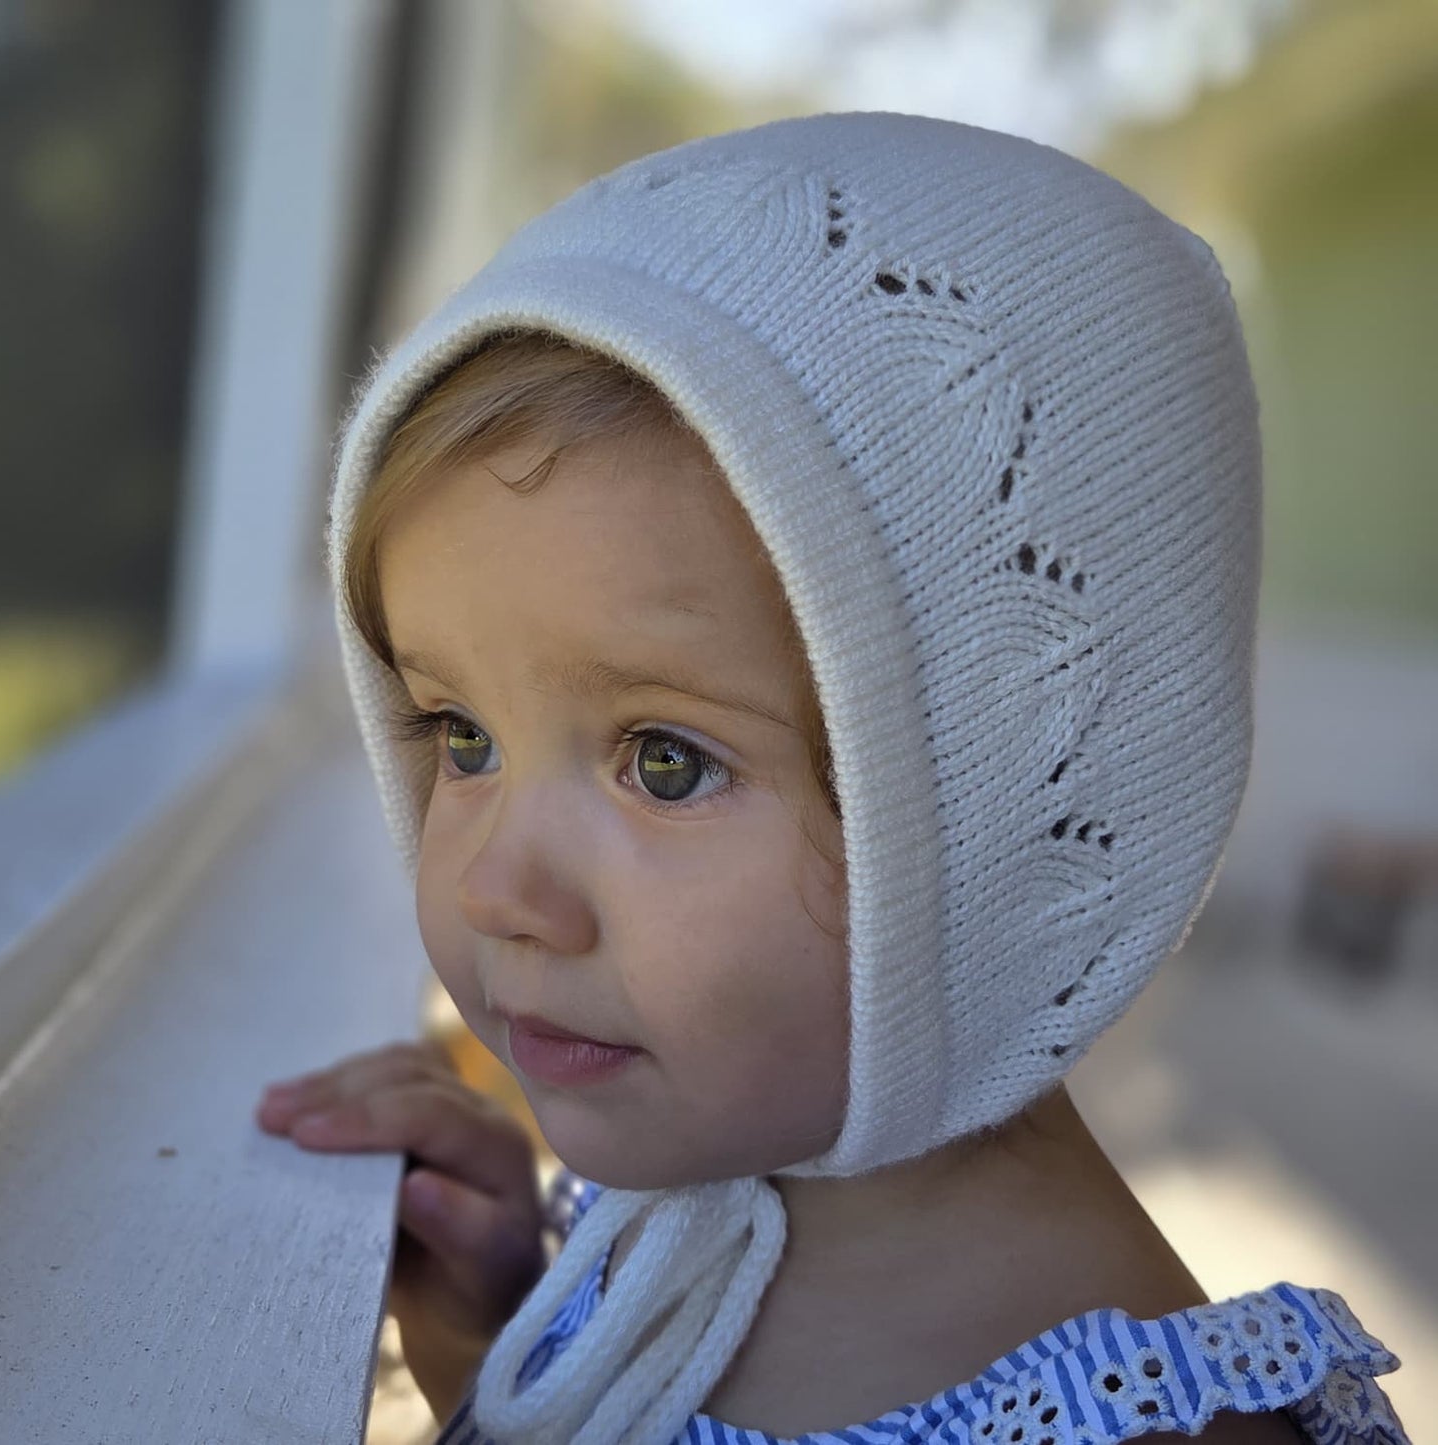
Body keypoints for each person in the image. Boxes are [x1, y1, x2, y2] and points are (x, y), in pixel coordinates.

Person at [255, 113, 1411, 1444]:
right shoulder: (670, 1234)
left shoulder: (1125, 1426)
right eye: (461, 734)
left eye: (666, 762)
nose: (501, 886)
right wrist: (493, 1336)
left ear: (991, 818)